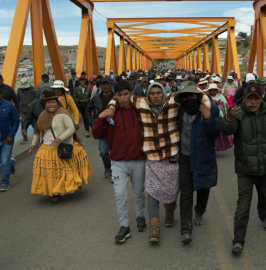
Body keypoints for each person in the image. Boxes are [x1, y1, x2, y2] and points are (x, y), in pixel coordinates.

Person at [108, 81, 200, 243]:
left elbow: (199, 93)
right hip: (151, 157)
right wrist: (111, 108)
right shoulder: (141, 103)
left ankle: (170, 211)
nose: (156, 96)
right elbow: (120, 98)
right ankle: (154, 227)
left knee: (172, 190)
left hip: (171, 156)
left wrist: (208, 108)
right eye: (152, 93)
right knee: (152, 191)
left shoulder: (173, 100)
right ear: (147, 95)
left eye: (158, 93)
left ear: (163, 93)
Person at [221, 84, 266, 255]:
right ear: (244, 99)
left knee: (265, 195)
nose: (252, 102)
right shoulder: (237, 113)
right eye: (249, 99)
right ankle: (238, 241)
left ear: (261, 99)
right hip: (245, 168)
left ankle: (264, 216)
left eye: (256, 98)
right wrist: (228, 119)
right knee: (243, 205)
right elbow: (226, 130)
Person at [92, 81, 147, 244]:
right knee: (120, 195)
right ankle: (124, 225)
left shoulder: (140, 111)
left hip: (138, 159)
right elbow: (97, 134)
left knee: (138, 193)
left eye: (126, 94)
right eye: (120, 94)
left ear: (131, 93)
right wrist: (100, 117)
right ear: (115, 95)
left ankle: (140, 216)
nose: (123, 98)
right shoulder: (110, 113)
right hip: (117, 161)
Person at [29, 90, 93, 206]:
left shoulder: (63, 114)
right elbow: (37, 132)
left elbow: (71, 128)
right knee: (50, 172)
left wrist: (60, 138)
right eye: (49, 103)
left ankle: (67, 186)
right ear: (45, 104)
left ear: (57, 103)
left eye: (53, 102)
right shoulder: (42, 116)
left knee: (64, 170)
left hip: (62, 146)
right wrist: (33, 145)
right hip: (47, 148)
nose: (51, 105)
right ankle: (54, 193)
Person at [176, 81, 220, 243]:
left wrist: (208, 118)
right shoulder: (180, 112)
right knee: (186, 192)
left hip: (204, 157)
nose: (189, 99)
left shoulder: (211, 110)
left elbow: (216, 133)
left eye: (192, 95)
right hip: (185, 157)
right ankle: (186, 229)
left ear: (199, 96)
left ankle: (200, 211)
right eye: (186, 96)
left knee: (203, 187)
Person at [86, 77, 114, 179]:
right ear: (100, 86)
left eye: (108, 84)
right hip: (102, 128)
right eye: (103, 84)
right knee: (103, 152)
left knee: (115, 151)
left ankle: (115, 171)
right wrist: (93, 123)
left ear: (111, 85)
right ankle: (107, 166)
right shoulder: (96, 98)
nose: (106, 86)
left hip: (115, 128)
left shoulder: (116, 97)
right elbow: (88, 110)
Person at [205, 83, 232, 151]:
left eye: (214, 90)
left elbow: (226, 105)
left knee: (220, 132)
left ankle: (219, 146)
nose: (213, 91)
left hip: (220, 116)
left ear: (217, 90)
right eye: (211, 90)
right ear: (209, 91)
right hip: (210, 117)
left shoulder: (221, 96)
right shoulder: (207, 97)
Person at [17, 78, 39, 144]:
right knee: (23, 124)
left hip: (32, 110)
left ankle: (36, 137)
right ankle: (25, 138)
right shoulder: (19, 90)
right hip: (23, 110)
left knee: (35, 124)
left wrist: (32, 103)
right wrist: (18, 111)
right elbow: (17, 101)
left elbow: (37, 97)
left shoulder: (33, 89)